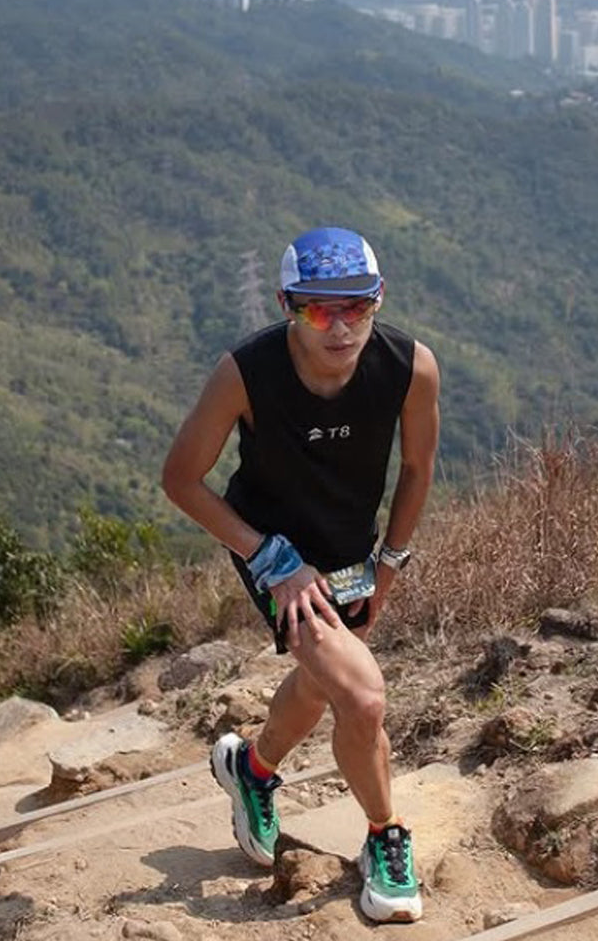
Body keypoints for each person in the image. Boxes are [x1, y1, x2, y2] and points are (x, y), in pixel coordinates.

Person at [162, 225, 440, 923]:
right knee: (363, 697)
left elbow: (416, 468)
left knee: (322, 681)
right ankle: (384, 836)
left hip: (352, 551)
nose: (341, 328)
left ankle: (250, 770)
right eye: (319, 310)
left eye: (357, 306)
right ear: (288, 305)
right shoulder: (246, 374)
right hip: (273, 549)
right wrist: (272, 560)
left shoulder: (410, 367)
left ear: (380, 298)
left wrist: (390, 562)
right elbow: (181, 479)